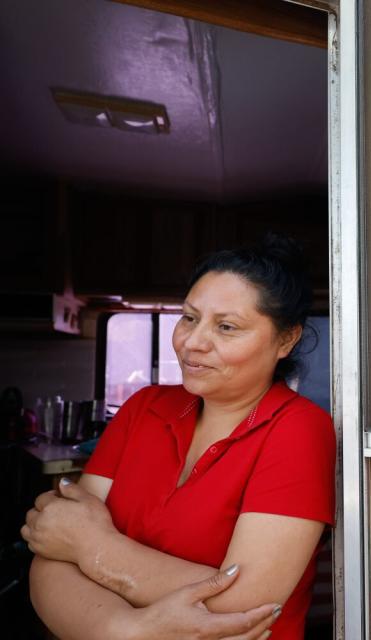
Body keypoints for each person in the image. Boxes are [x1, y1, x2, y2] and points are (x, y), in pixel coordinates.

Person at [21, 235, 336, 639]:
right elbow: (51, 554)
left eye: (226, 327)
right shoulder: (143, 408)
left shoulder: (299, 429)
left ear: (286, 340)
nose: (192, 342)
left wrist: (90, 546)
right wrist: (123, 630)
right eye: (189, 317)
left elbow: (245, 604)